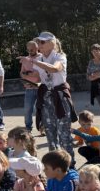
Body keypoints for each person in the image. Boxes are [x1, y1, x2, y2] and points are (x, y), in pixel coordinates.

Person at [28, 32, 77, 165]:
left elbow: (55, 69)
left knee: (64, 135)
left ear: (52, 43)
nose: (39, 45)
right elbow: (39, 78)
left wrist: (35, 62)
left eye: (42, 42)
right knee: (50, 133)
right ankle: (53, 164)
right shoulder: (40, 59)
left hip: (60, 98)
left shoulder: (60, 56)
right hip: (46, 98)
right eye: (38, 42)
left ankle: (70, 164)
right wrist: (28, 78)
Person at [19, 40, 41, 133]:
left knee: (41, 110)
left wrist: (28, 75)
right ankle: (28, 129)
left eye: (31, 49)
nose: (30, 51)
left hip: (41, 88)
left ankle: (42, 127)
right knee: (27, 110)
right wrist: (26, 80)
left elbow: (39, 75)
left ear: (37, 48)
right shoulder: (25, 59)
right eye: (28, 50)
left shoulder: (42, 57)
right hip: (29, 89)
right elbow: (21, 73)